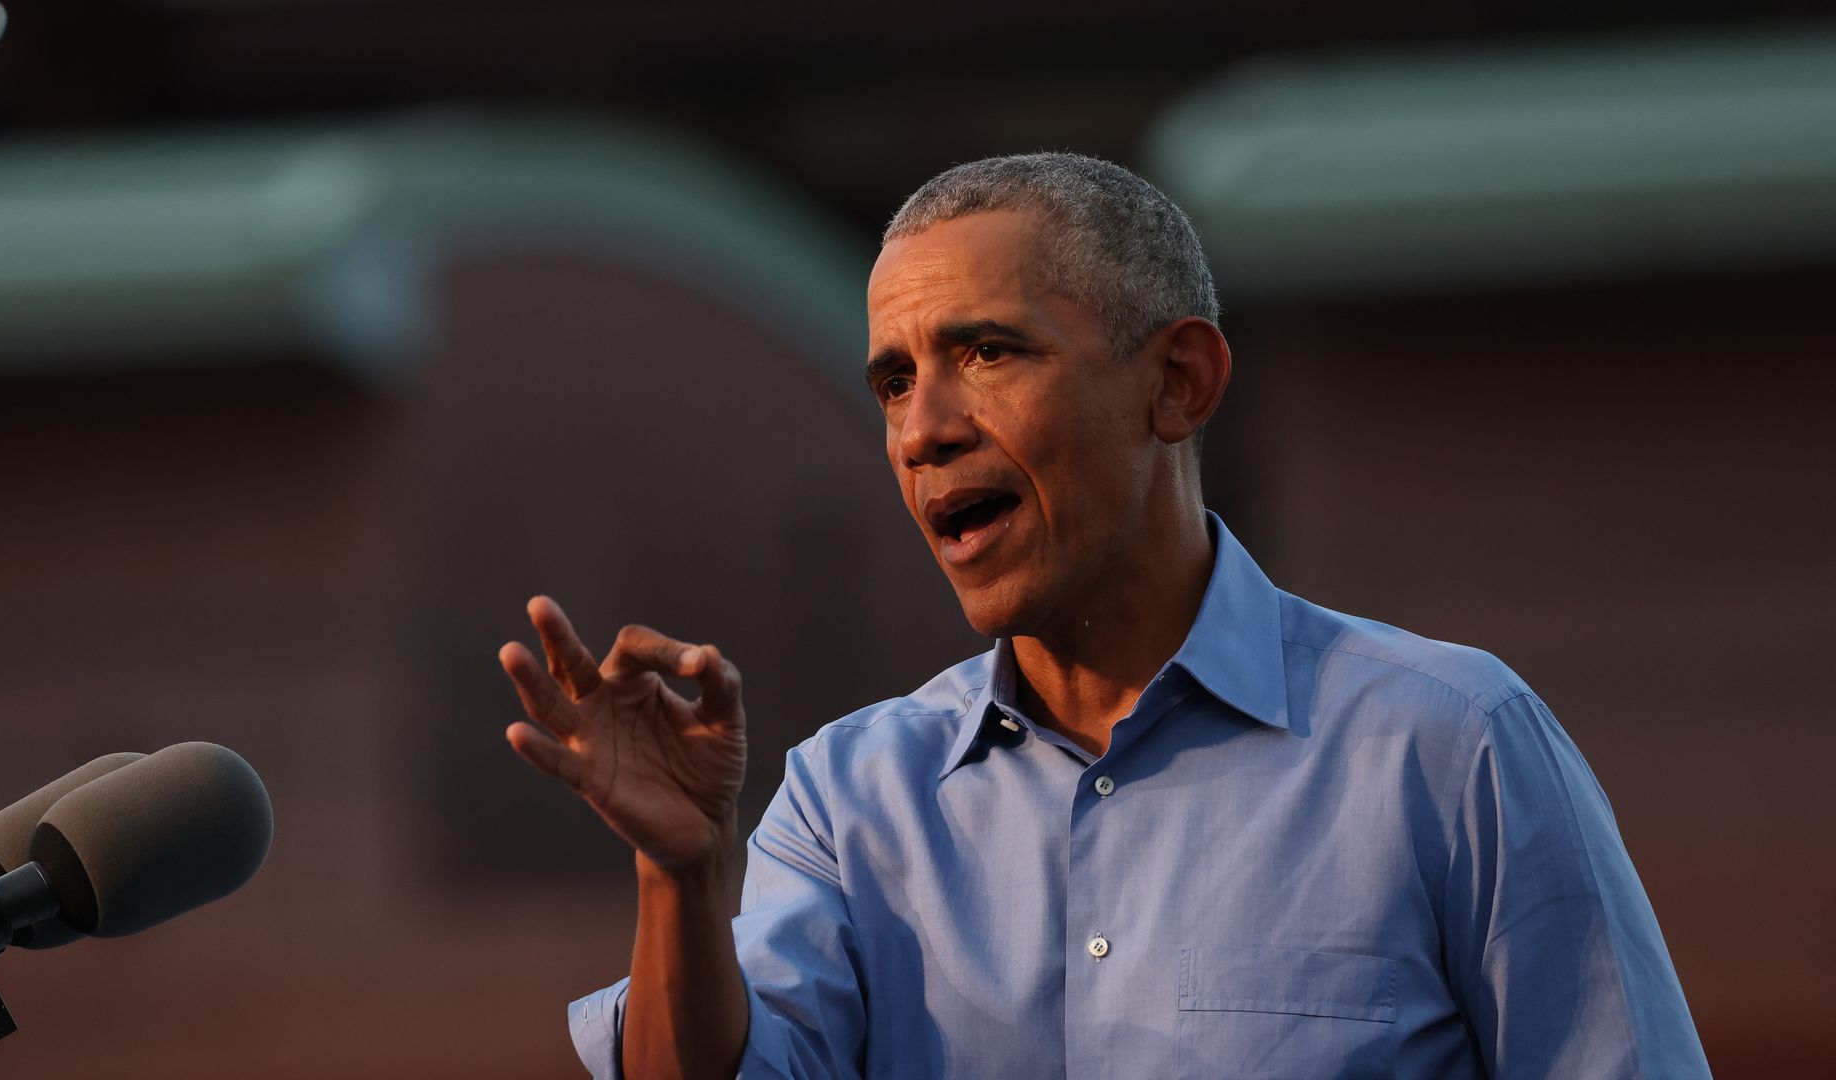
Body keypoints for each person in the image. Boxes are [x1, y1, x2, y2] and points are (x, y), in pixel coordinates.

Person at [497, 154, 1710, 1079]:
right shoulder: (846, 801)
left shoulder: (1451, 747)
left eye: (986, 352)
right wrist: (679, 871)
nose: (923, 429)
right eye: (893, 380)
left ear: (1177, 382)